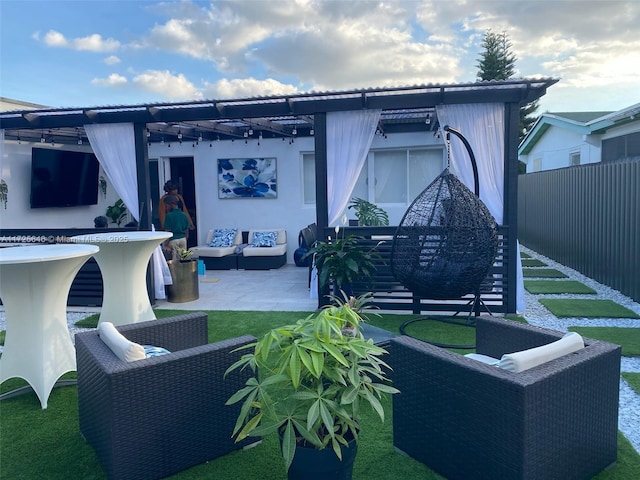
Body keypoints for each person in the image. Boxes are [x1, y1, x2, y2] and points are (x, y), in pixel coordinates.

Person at [162, 195, 190, 260]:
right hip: (183, 239)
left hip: (173, 240)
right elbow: (187, 230)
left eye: (166, 205)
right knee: (183, 259)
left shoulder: (169, 216)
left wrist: (166, 245)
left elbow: (168, 231)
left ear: (171, 204)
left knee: (175, 261)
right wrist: (185, 238)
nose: (166, 207)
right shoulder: (184, 215)